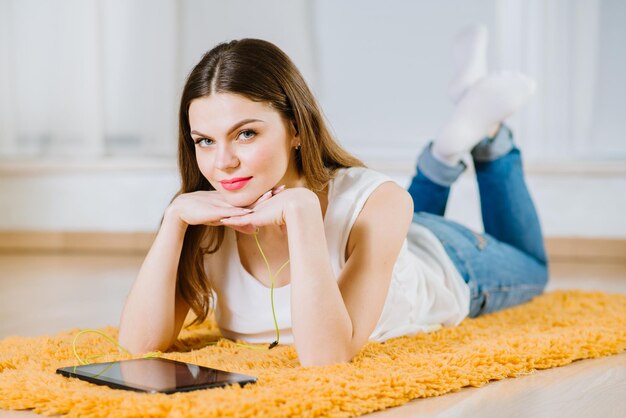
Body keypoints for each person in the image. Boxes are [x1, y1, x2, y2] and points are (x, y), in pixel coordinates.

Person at [118, 26, 548, 367]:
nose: (222, 162)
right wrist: (173, 219)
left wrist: (303, 216)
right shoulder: (202, 216)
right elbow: (139, 346)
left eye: (245, 133)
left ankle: (488, 140)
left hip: (448, 261)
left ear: (297, 130)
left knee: (532, 267)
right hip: (378, 237)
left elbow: (327, 357)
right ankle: (449, 143)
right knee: (385, 216)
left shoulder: (378, 204)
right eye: (204, 141)